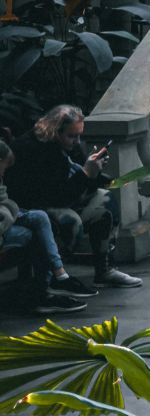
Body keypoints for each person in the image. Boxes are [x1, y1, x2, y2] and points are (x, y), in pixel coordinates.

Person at [9, 105, 143, 289]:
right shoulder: (32, 149)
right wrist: (86, 174)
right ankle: (53, 278)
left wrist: (94, 171)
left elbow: (82, 184)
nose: (77, 141)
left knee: (105, 200)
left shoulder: (69, 145)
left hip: (63, 197)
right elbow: (54, 196)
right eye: (72, 136)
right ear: (55, 131)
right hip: (33, 206)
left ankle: (104, 269)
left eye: (79, 135)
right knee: (70, 220)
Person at [0, 140, 96, 314]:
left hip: (7, 214)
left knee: (40, 217)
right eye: (3, 168)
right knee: (33, 234)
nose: (3, 173)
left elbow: (4, 201)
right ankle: (44, 291)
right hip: (3, 223)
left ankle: (59, 275)